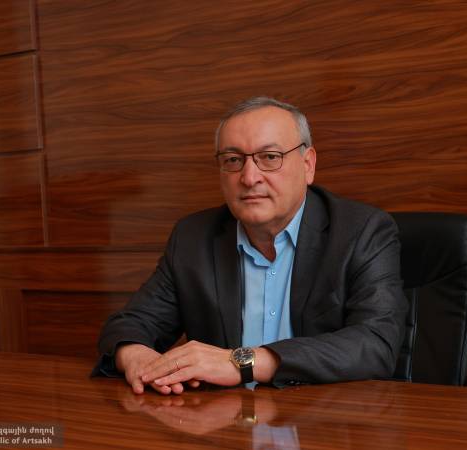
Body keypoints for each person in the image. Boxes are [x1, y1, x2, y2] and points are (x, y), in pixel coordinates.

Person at [94, 96, 408, 394]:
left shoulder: (361, 231)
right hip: (223, 420)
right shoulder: (193, 237)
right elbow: (131, 324)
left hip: (324, 420)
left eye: (269, 157)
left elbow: (375, 344)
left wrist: (242, 362)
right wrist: (138, 358)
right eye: (233, 160)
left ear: (307, 164)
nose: (249, 177)